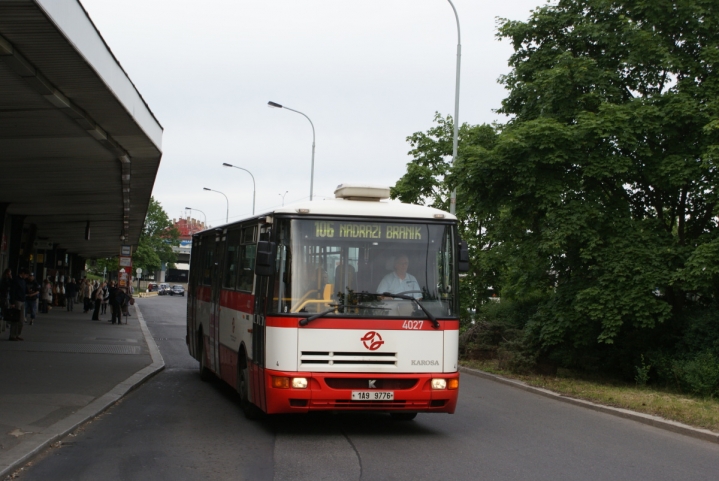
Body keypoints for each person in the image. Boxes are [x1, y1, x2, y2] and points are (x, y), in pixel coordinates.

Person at [8, 268, 28, 341]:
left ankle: (17, 334)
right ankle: (12, 335)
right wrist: (12, 302)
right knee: (15, 319)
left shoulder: (23, 281)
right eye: (26, 275)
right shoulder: (16, 280)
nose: (26, 276)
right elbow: (12, 292)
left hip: (22, 300)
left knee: (21, 320)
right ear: (22, 273)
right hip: (17, 301)